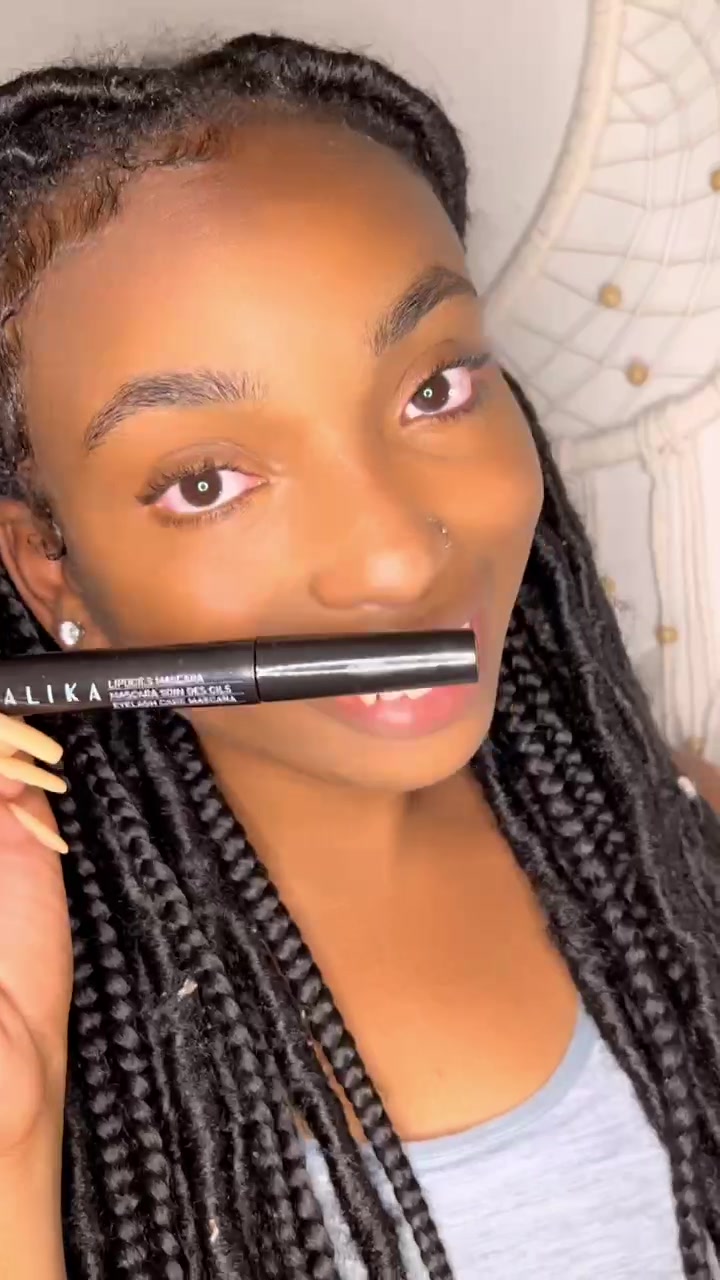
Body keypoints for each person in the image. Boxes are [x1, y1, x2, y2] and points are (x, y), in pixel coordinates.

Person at [0, 32, 719, 1280]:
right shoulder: (42, 1012)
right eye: (207, 481)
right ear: (50, 569)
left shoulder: (679, 854)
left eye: (433, 389)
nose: (392, 555)